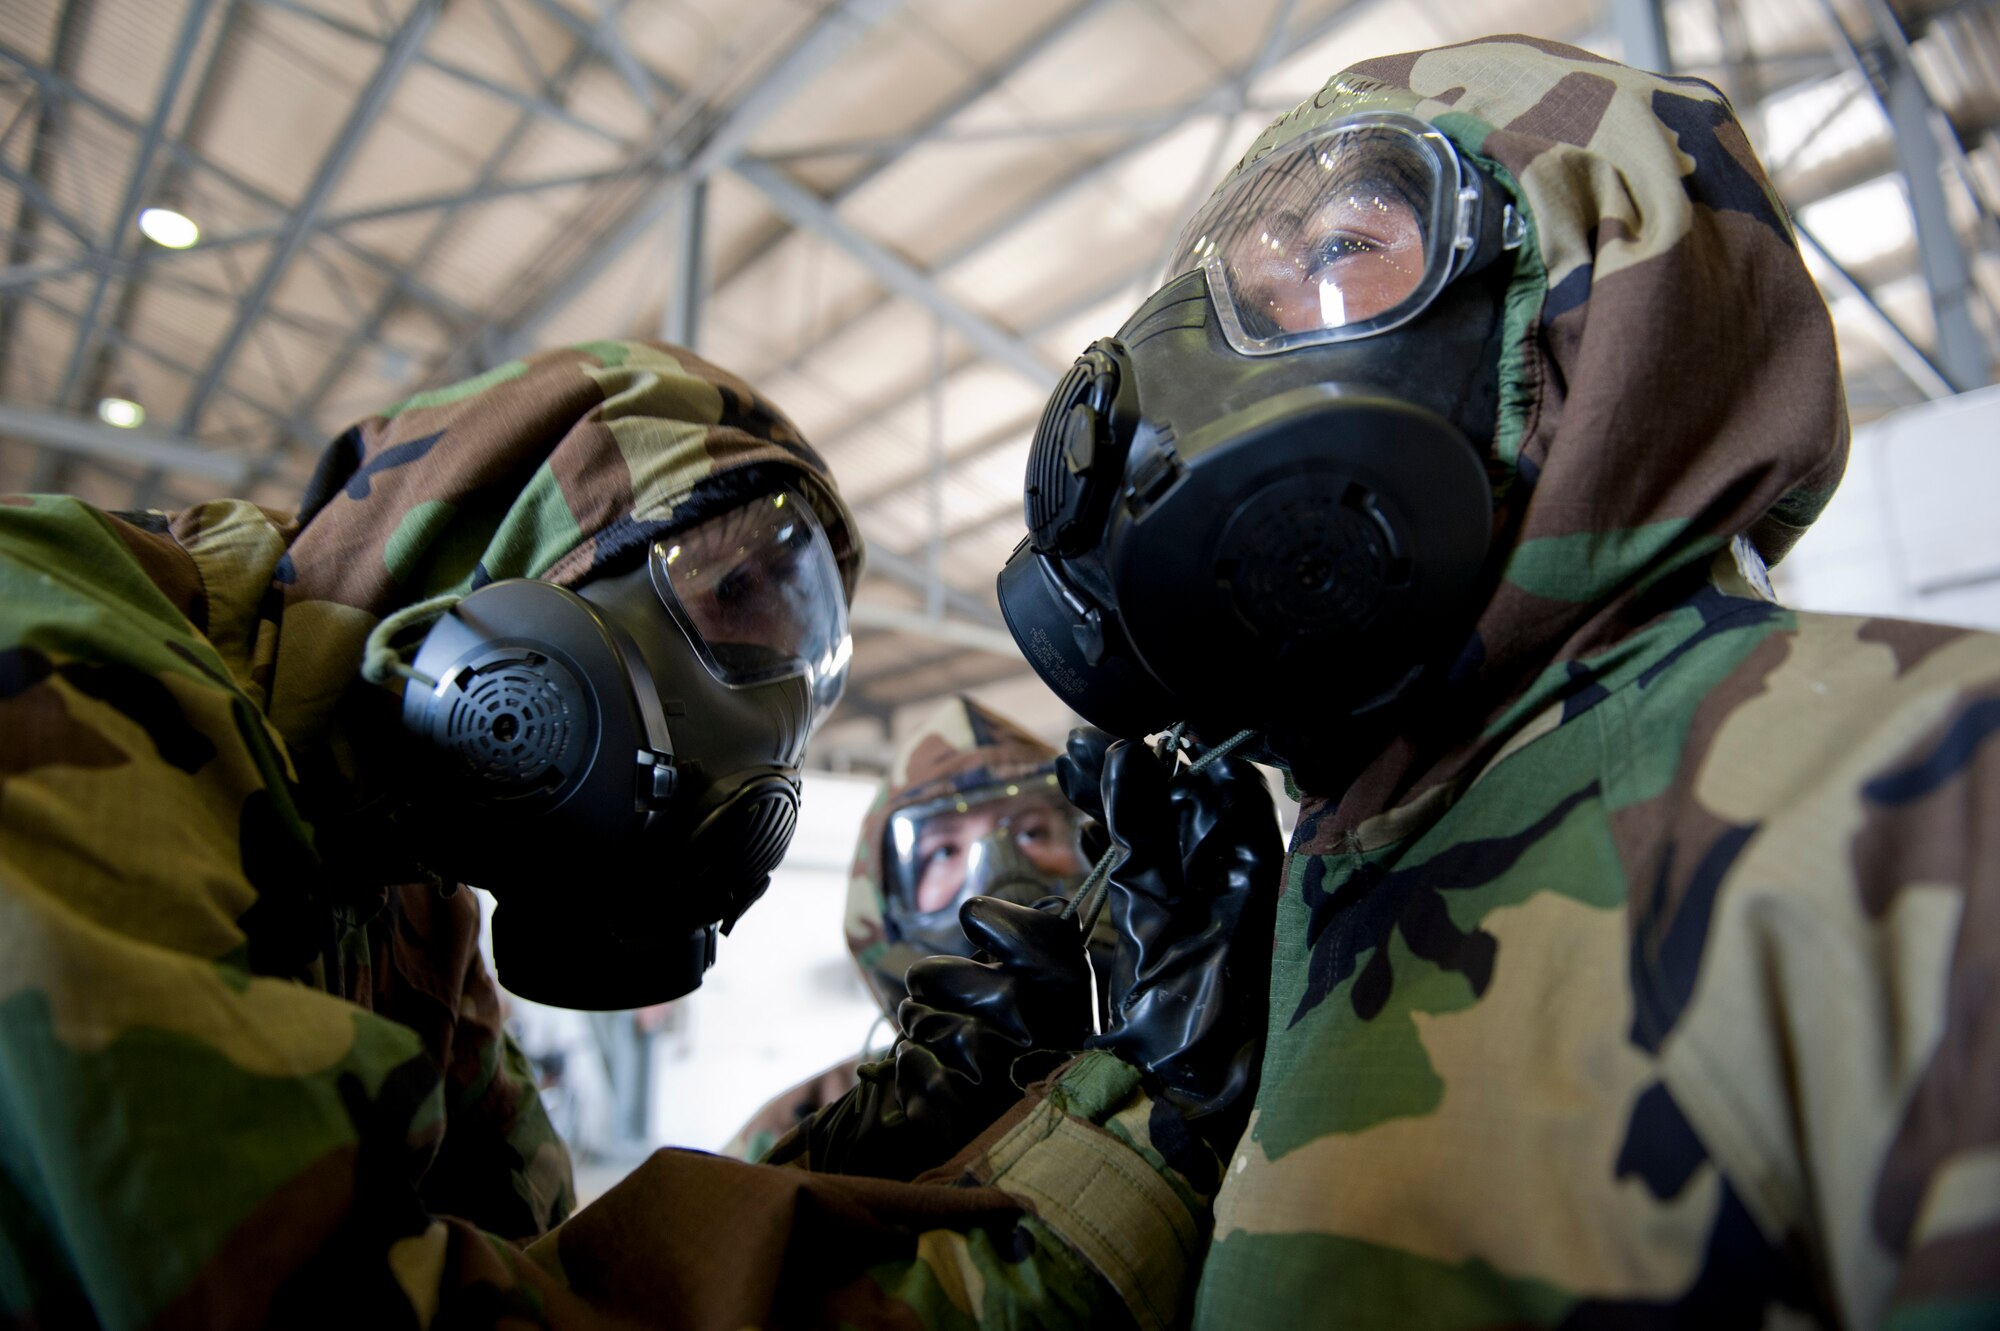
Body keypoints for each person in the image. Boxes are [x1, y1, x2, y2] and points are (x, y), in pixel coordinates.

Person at [984, 34, 2000, 1330]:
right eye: (1230, 279)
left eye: (1340, 245)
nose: (1227, 339)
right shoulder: (1318, 889)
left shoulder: (1925, 778)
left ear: (1601, 322)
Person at [0, 338, 1270, 1328]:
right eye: (728, 596)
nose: (756, 731)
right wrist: (1122, 1167)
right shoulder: (66, 679)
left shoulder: (397, 893)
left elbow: (539, 1254)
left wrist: (887, 1139)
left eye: (800, 667)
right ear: (500, 550)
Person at [725, 694, 1090, 1161]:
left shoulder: (1170, 1066)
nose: (1003, 871)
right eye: (945, 851)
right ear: (887, 902)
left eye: (1033, 831)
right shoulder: (819, 1132)